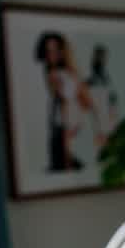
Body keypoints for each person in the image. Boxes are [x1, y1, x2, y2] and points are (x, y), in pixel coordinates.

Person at [34, 31, 95, 171]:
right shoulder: (49, 71)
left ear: (62, 50)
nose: (51, 55)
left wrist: (74, 121)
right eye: (47, 51)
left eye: (55, 50)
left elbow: (84, 101)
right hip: (61, 123)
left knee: (65, 162)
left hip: (69, 123)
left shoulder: (68, 73)